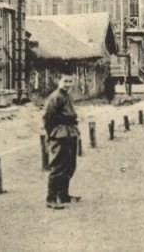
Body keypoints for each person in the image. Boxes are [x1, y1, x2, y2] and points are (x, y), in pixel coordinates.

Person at [43, 76, 80, 209]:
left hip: (70, 133)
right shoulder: (55, 97)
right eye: (65, 81)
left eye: (70, 81)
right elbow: (48, 118)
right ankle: (51, 198)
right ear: (59, 82)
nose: (68, 84)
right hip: (60, 135)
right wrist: (52, 135)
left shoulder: (67, 96)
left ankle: (63, 195)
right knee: (58, 166)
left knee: (69, 166)